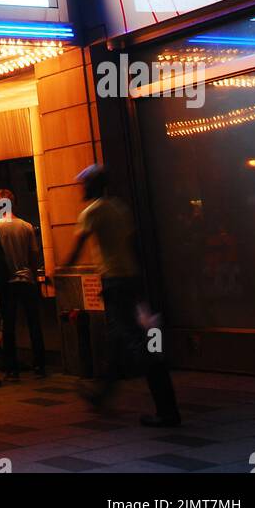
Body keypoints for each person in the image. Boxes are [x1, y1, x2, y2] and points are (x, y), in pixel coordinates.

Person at [66, 165, 181, 428]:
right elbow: (133, 245)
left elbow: (76, 249)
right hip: (131, 279)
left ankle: (167, 409)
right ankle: (101, 393)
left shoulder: (91, 212)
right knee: (119, 338)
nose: (81, 189)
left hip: (114, 282)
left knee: (138, 344)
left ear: (92, 186)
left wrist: (60, 270)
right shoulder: (120, 208)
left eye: (83, 184)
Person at [0, 189, 45, 379]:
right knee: (34, 323)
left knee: (9, 325)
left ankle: (11, 367)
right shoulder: (27, 226)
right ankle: (40, 364)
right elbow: (34, 255)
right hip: (27, 279)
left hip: (8, 282)